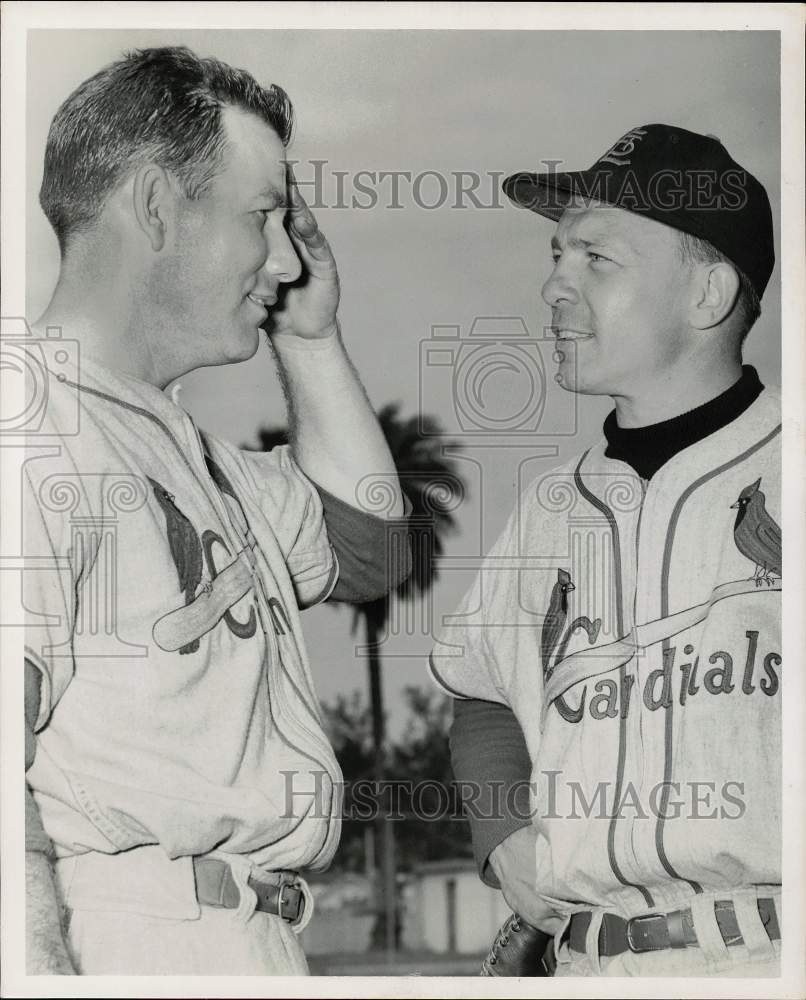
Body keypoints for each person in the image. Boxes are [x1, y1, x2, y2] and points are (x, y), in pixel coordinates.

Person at [23, 46, 409, 975]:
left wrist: (311, 341)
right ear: (157, 206)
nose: (285, 255)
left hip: (244, 934)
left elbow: (370, 553)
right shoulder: (30, 427)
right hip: (118, 929)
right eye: (263, 215)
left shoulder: (191, 452)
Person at [432, 124, 781, 977]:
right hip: (589, 961)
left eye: (596, 257)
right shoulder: (550, 506)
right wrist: (505, 831)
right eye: (557, 254)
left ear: (707, 293)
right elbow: (481, 688)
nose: (554, 283)